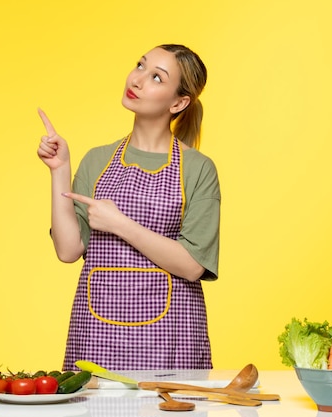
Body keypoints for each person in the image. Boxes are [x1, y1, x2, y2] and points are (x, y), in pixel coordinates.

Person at [37, 44, 220, 370]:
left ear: (178, 102)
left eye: (156, 77)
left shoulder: (197, 169)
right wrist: (59, 170)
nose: (136, 80)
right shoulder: (97, 159)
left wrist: (120, 223)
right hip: (96, 337)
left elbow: (193, 265)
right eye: (140, 65)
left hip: (170, 341)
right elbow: (68, 250)